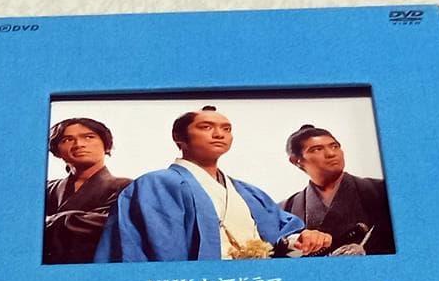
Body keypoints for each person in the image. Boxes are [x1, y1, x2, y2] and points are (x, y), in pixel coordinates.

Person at [95, 107, 332, 262]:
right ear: (179, 137)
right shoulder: (156, 184)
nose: (219, 134)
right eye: (206, 127)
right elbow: (155, 250)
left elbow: (281, 237)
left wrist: (303, 240)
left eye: (226, 129)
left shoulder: (249, 192)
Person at [280, 124, 395, 256]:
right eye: (317, 149)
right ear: (296, 160)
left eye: (335, 146)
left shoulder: (382, 191)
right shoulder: (285, 209)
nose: (331, 153)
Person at [44, 118, 132, 264]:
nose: (79, 144)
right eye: (67, 140)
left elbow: (110, 223)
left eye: (89, 137)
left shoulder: (125, 186)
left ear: (106, 145)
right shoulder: (47, 189)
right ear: (57, 150)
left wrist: (52, 220)